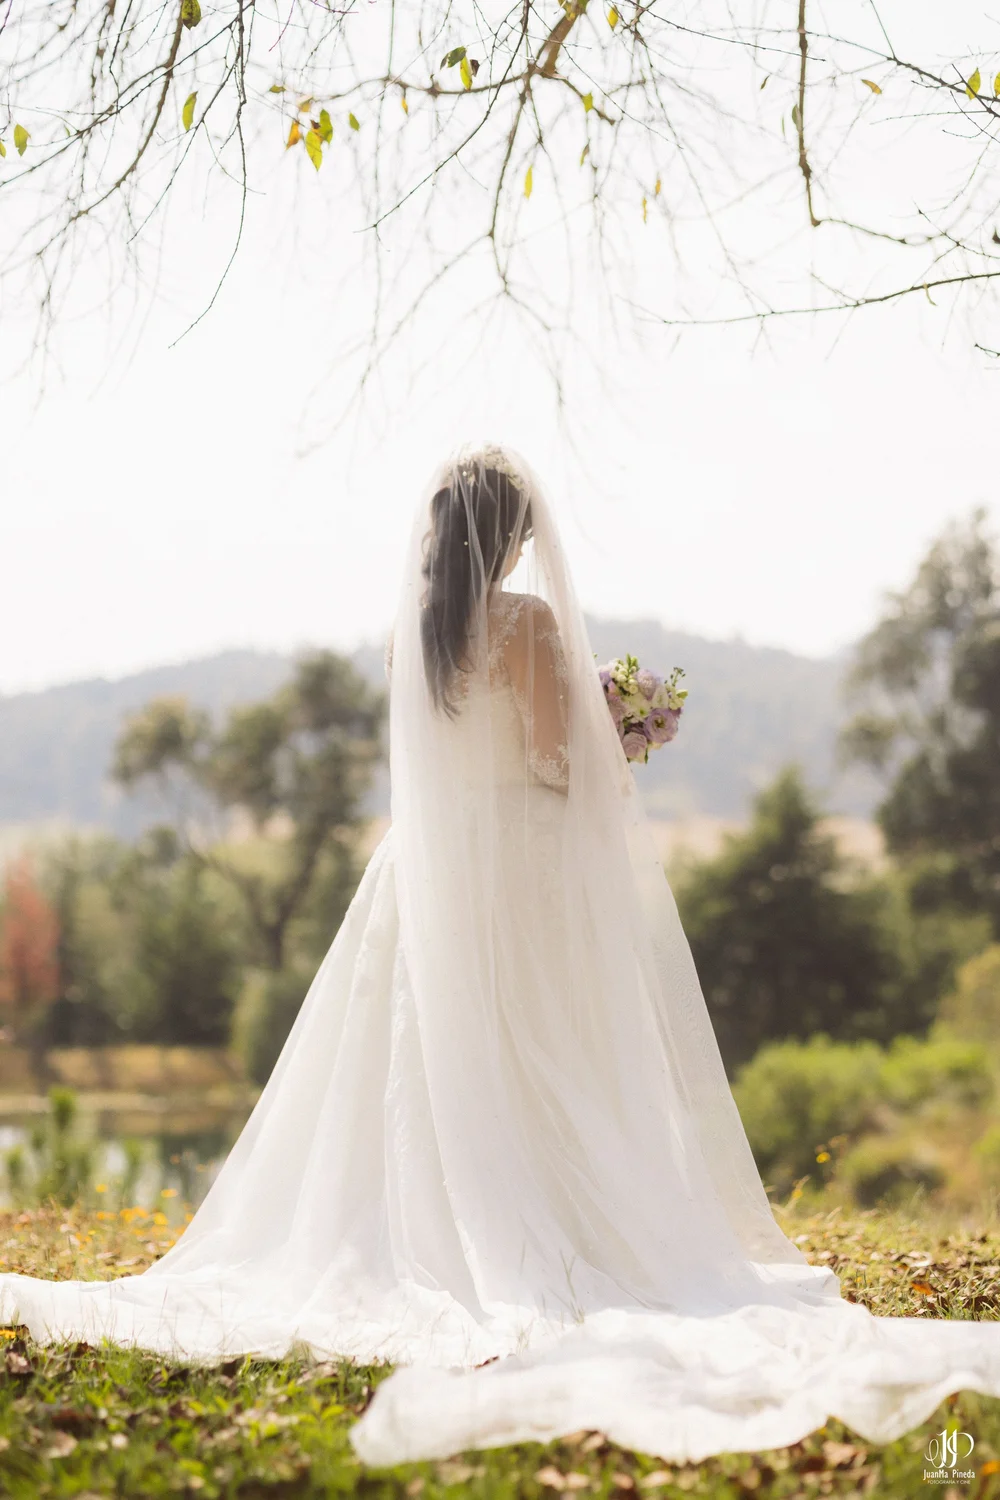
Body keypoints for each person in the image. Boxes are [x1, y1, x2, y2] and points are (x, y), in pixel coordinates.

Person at [2, 445, 999, 1465]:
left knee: (432, 1065)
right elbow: (555, 763)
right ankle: (540, 1224)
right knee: (541, 1048)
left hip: (427, 873)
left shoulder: (411, 634)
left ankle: (426, 1226)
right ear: (512, 535)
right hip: (515, 867)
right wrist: (621, 737)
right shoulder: (523, 622)